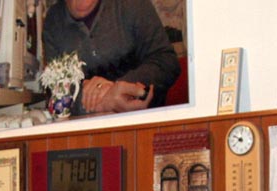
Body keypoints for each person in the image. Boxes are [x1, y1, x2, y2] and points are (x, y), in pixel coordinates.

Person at [43, 0, 181, 114]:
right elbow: (54, 92)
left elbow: (167, 61)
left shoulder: (132, 4)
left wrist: (119, 88)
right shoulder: (53, 21)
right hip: (88, 129)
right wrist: (99, 103)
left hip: (146, 121)